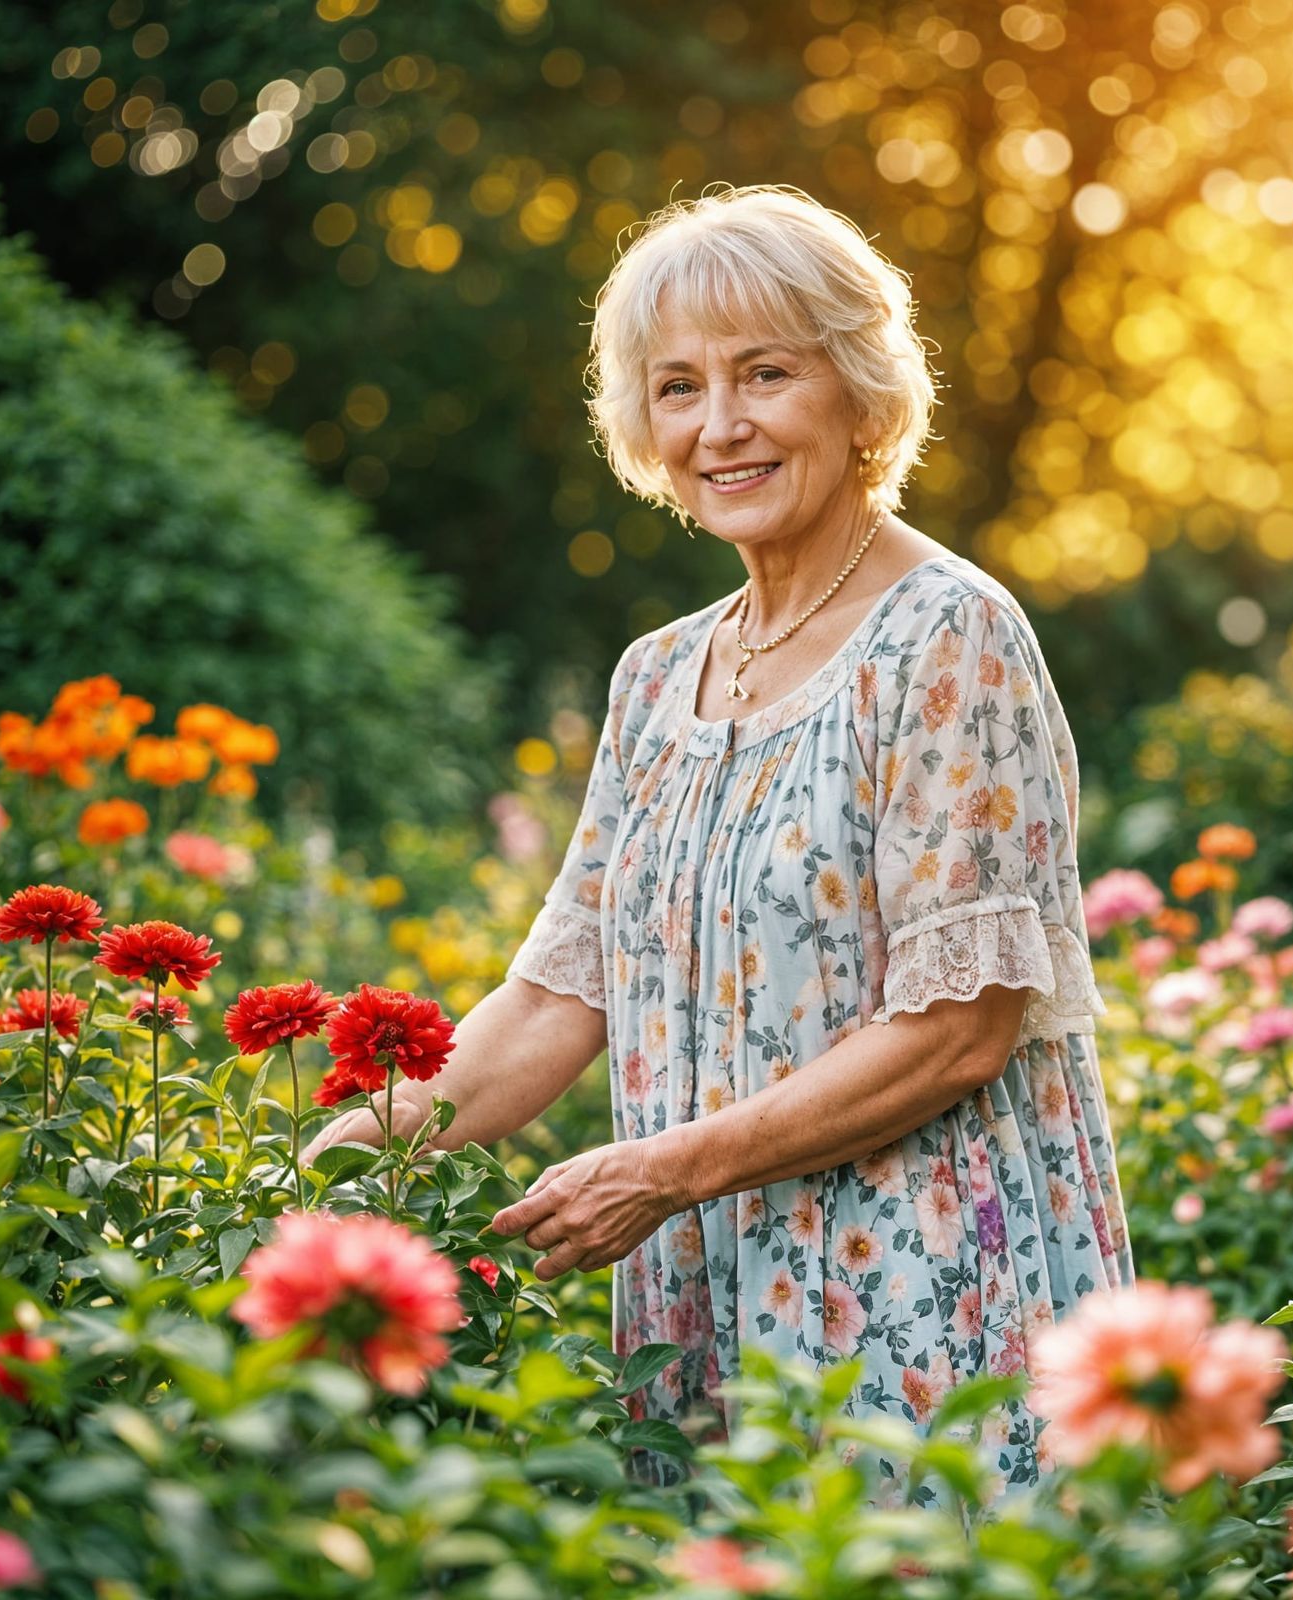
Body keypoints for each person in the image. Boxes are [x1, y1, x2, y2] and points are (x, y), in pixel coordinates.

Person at [302, 182, 1134, 1506]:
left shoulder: (948, 640)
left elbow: (962, 1028)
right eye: (678, 386)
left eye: (765, 374)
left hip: (925, 1310)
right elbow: (560, 990)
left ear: (860, 392)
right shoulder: (654, 680)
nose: (721, 426)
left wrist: (657, 1170)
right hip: (707, 1297)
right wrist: (339, 1162)